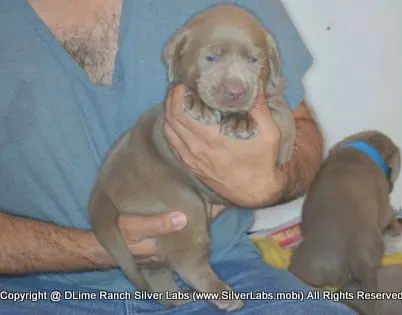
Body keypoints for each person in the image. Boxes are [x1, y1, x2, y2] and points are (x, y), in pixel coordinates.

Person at [0, 0, 355, 314]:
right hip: (36, 292)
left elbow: (300, 128)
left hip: (228, 270)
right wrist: (95, 249)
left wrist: (274, 181)